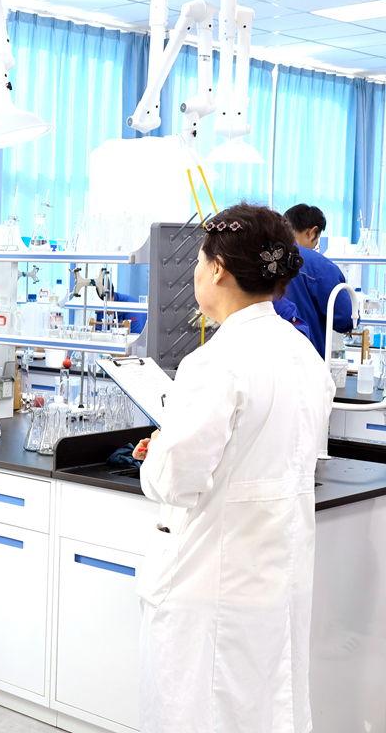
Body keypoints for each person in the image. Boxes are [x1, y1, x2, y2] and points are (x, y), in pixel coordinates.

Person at [132, 203, 334, 732]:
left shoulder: (214, 362)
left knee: (198, 715)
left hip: (209, 586)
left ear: (218, 269)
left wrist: (160, 451)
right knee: (269, 713)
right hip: (277, 584)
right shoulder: (305, 356)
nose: (198, 271)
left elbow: (175, 482)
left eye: (200, 260)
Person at [282, 203, 353, 356]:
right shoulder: (318, 265)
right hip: (306, 358)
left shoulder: (259, 259)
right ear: (312, 231)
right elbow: (346, 318)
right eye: (316, 241)